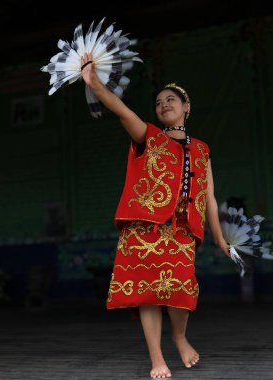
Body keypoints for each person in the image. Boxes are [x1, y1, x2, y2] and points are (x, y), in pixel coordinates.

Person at [80, 53, 230, 379]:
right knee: (147, 294)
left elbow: (210, 197)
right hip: (143, 228)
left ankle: (179, 336)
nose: (164, 104)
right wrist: (94, 84)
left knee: (181, 291)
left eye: (171, 99)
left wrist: (219, 238)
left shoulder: (202, 150)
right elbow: (122, 111)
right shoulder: (149, 135)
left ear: (186, 106)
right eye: (159, 101)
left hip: (181, 230)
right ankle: (156, 357)